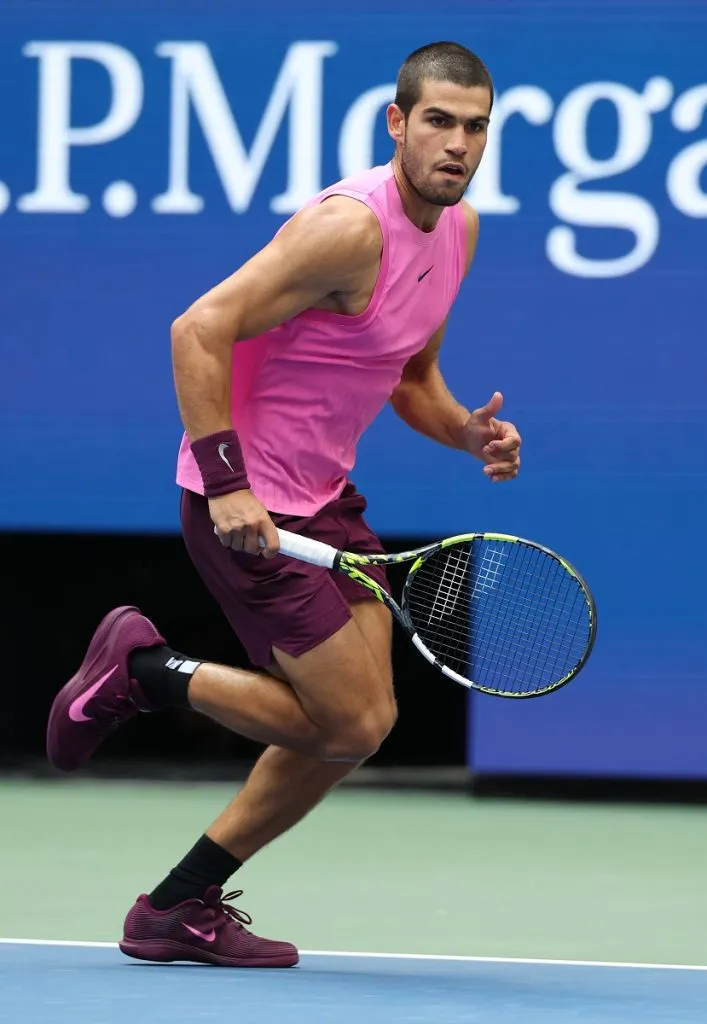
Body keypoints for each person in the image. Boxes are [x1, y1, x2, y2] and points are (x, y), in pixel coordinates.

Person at [46, 40, 521, 968]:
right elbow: (198, 327)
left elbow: (407, 372)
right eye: (437, 121)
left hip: (323, 493)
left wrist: (466, 431)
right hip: (246, 503)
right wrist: (227, 484)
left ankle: (175, 907)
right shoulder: (348, 230)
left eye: (474, 127)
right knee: (347, 723)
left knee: (360, 727)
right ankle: (143, 671)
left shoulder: (457, 232)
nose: (456, 145)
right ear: (397, 123)